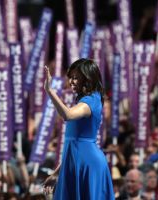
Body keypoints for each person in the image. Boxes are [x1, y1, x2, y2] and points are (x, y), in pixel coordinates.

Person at [43, 58, 115, 199]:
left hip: (87, 165)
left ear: (87, 78)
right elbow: (73, 146)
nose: (71, 82)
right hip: (75, 163)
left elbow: (68, 115)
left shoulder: (91, 101)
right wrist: (58, 173)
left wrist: (50, 91)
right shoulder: (84, 100)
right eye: (70, 78)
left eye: (76, 78)